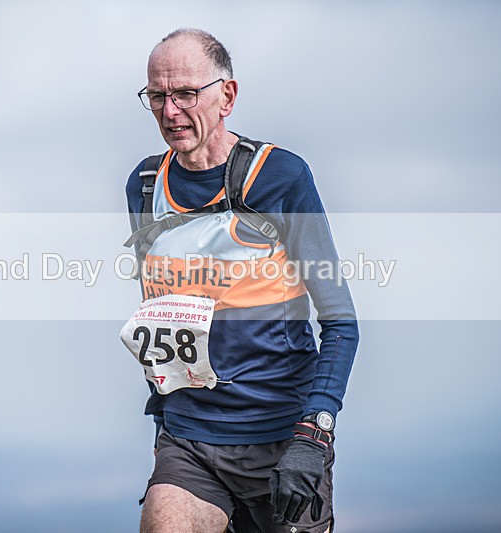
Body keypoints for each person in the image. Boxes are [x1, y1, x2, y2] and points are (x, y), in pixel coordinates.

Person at [122, 28, 359, 533]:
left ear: (227, 96)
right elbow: (160, 319)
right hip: (188, 441)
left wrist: (314, 435)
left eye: (186, 93)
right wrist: (164, 422)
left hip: (282, 440)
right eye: (157, 96)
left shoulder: (281, 177)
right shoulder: (144, 186)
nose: (169, 111)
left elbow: (341, 322)